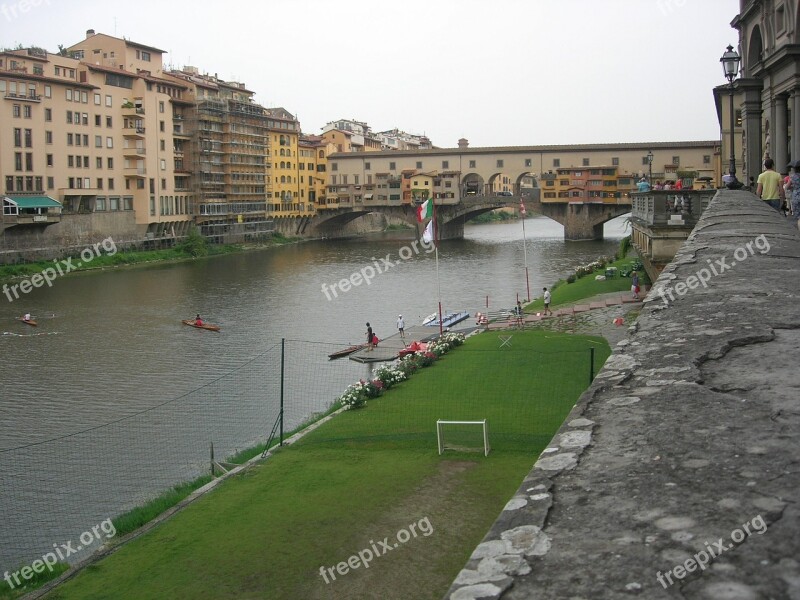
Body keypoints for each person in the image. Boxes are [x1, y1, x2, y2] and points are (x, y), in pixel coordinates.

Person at [786, 160, 800, 229]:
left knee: (797, 216)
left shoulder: (792, 177)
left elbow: (787, 187)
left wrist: (793, 187)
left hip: (795, 196)